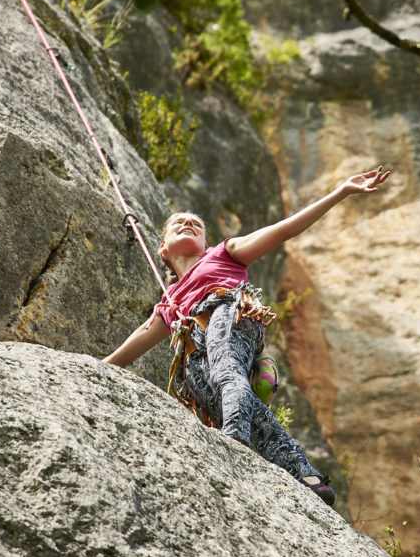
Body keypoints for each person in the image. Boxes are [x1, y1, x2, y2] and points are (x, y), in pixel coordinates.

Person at [103, 167, 391, 506]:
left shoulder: (224, 253)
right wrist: (94, 367)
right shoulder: (170, 302)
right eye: (178, 222)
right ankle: (306, 476)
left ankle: (231, 443)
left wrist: (340, 191)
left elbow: (284, 229)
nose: (188, 223)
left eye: (196, 223)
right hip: (197, 344)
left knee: (227, 372)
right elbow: (139, 338)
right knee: (228, 397)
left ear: (206, 243)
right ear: (162, 249)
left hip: (231, 313)